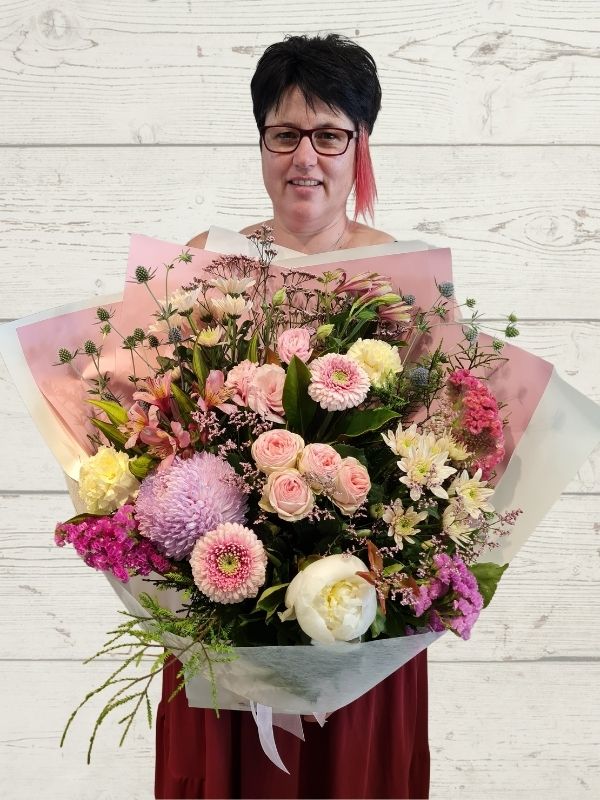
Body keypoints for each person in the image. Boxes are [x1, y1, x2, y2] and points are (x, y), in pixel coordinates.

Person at [155, 33, 430, 800]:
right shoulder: (208, 264)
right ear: (262, 143)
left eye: (329, 135)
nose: (305, 157)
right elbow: (159, 428)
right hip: (224, 606)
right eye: (284, 134)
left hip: (359, 621)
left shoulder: (402, 280)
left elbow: (434, 455)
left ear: (359, 144)